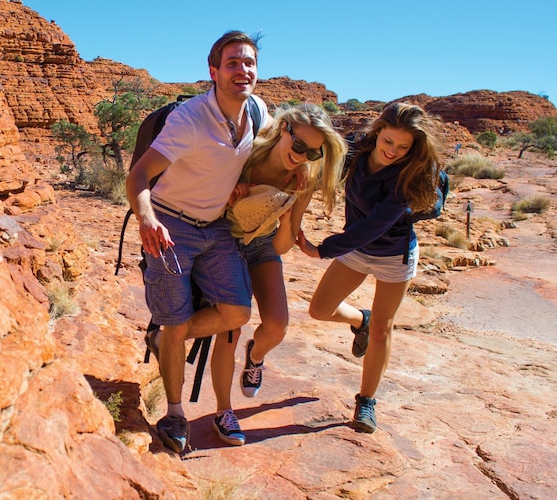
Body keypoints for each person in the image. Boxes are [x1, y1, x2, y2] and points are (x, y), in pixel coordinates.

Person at [126, 30, 272, 452]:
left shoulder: (258, 111)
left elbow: (259, 157)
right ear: (213, 71)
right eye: (232, 63)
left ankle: (168, 337)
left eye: (249, 63)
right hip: (171, 228)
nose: (242, 70)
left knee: (236, 312)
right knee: (175, 323)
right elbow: (137, 176)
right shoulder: (189, 120)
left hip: (217, 228)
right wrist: (147, 220)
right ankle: (174, 414)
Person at [295, 102, 444, 433]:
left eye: (404, 147)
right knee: (319, 310)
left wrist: (322, 250)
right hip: (357, 250)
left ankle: (367, 401)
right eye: (388, 141)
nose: (393, 151)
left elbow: (374, 225)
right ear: (378, 131)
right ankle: (360, 319)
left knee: (383, 329)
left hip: (393, 254)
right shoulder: (357, 149)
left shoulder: (412, 173)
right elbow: (317, 168)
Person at [227, 103, 347, 399]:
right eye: (298, 144)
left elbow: (283, 245)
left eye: (312, 153)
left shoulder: (300, 183)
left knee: (277, 325)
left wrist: (284, 217)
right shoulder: (247, 152)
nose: (302, 156)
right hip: (224, 240)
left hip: (263, 245)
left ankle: (255, 357)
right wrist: (232, 192)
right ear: (284, 129)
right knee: (228, 324)